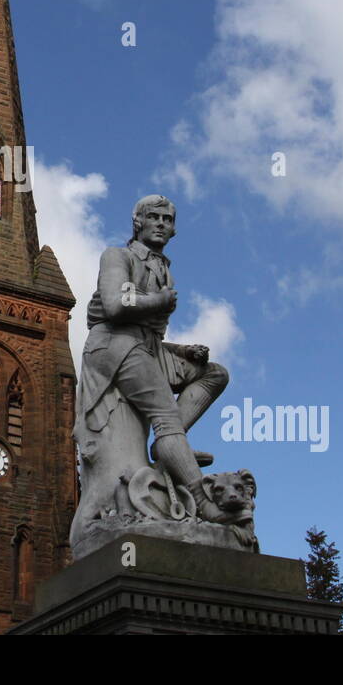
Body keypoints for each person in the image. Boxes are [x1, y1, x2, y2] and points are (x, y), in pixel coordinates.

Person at [78, 195, 229, 502]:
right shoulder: (117, 256)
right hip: (115, 345)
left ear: (174, 230)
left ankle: (171, 444)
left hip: (148, 347)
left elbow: (148, 333)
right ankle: (203, 501)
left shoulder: (164, 270)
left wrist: (183, 350)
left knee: (215, 374)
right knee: (166, 418)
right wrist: (157, 302)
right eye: (154, 217)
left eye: (168, 220)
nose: (161, 224)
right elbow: (115, 305)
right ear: (138, 222)